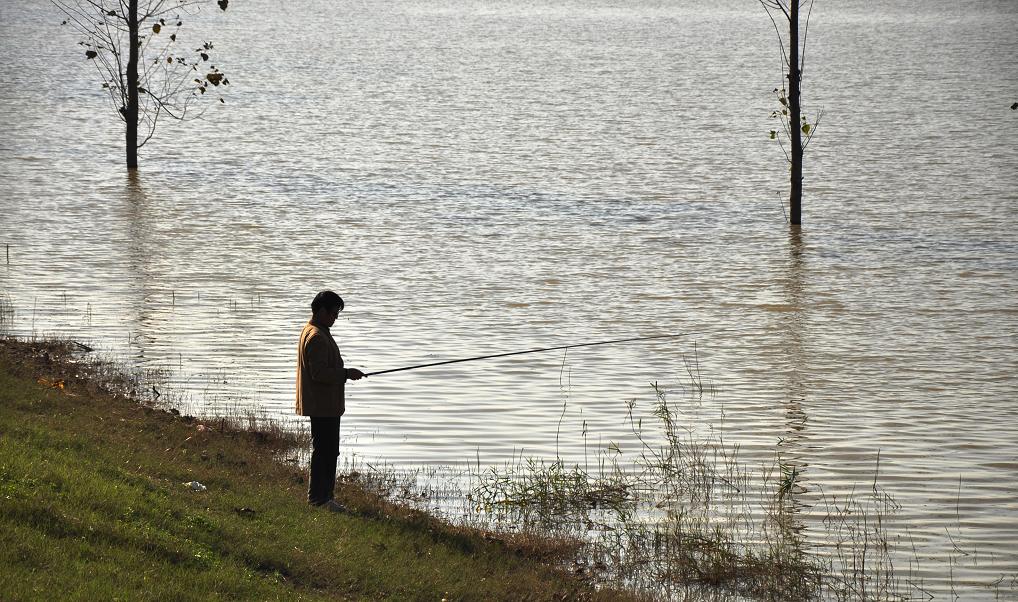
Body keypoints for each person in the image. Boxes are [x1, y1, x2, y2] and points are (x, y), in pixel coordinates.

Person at [296, 290, 365, 510]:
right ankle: (320, 499)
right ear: (322, 311)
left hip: (324, 404)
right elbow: (319, 373)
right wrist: (346, 374)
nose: (335, 318)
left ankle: (323, 497)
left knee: (327, 450)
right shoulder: (316, 336)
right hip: (322, 405)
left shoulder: (316, 330)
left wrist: (345, 374)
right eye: (334, 313)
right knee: (324, 451)